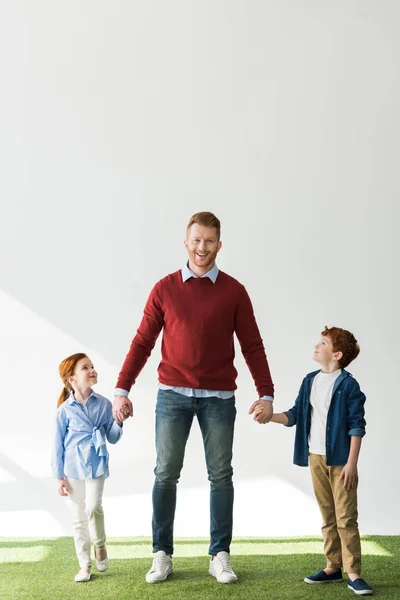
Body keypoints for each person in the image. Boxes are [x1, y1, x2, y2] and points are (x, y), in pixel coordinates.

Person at [113, 211, 274, 584]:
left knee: (221, 475)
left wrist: (266, 393)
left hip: (219, 398)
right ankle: (162, 554)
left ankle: (220, 554)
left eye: (210, 241)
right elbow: (142, 341)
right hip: (173, 396)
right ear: (186, 243)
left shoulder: (234, 291)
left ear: (220, 245)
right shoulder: (165, 288)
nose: (202, 248)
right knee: (165, 474)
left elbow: (252, 345)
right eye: (196, 240)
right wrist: (122, 389)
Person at [257, 327, 373, 596]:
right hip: (315, 457)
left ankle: (353, 573)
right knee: (327, 515)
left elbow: (357, 426)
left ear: (337, 354)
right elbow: (295, 415)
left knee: (346, 517)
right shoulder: (309, 381)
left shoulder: (348, 385)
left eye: (323, 343)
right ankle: (333, 567)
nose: (316, 346)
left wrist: (351, 464)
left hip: (341, 461)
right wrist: (268, 416)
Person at [51, 353, 123, 582]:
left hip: (97, 463)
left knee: (93, 507)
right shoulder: (64, 411)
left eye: (92, 366)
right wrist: (58, 476)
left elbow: (112, 437)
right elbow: (57, 445)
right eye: (85, 368)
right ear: (71, 379)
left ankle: (100, 545)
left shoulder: (103, 404)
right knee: (78, 516)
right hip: (72, 469)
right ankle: (84, 564)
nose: (92, 370)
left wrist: (119, 420)